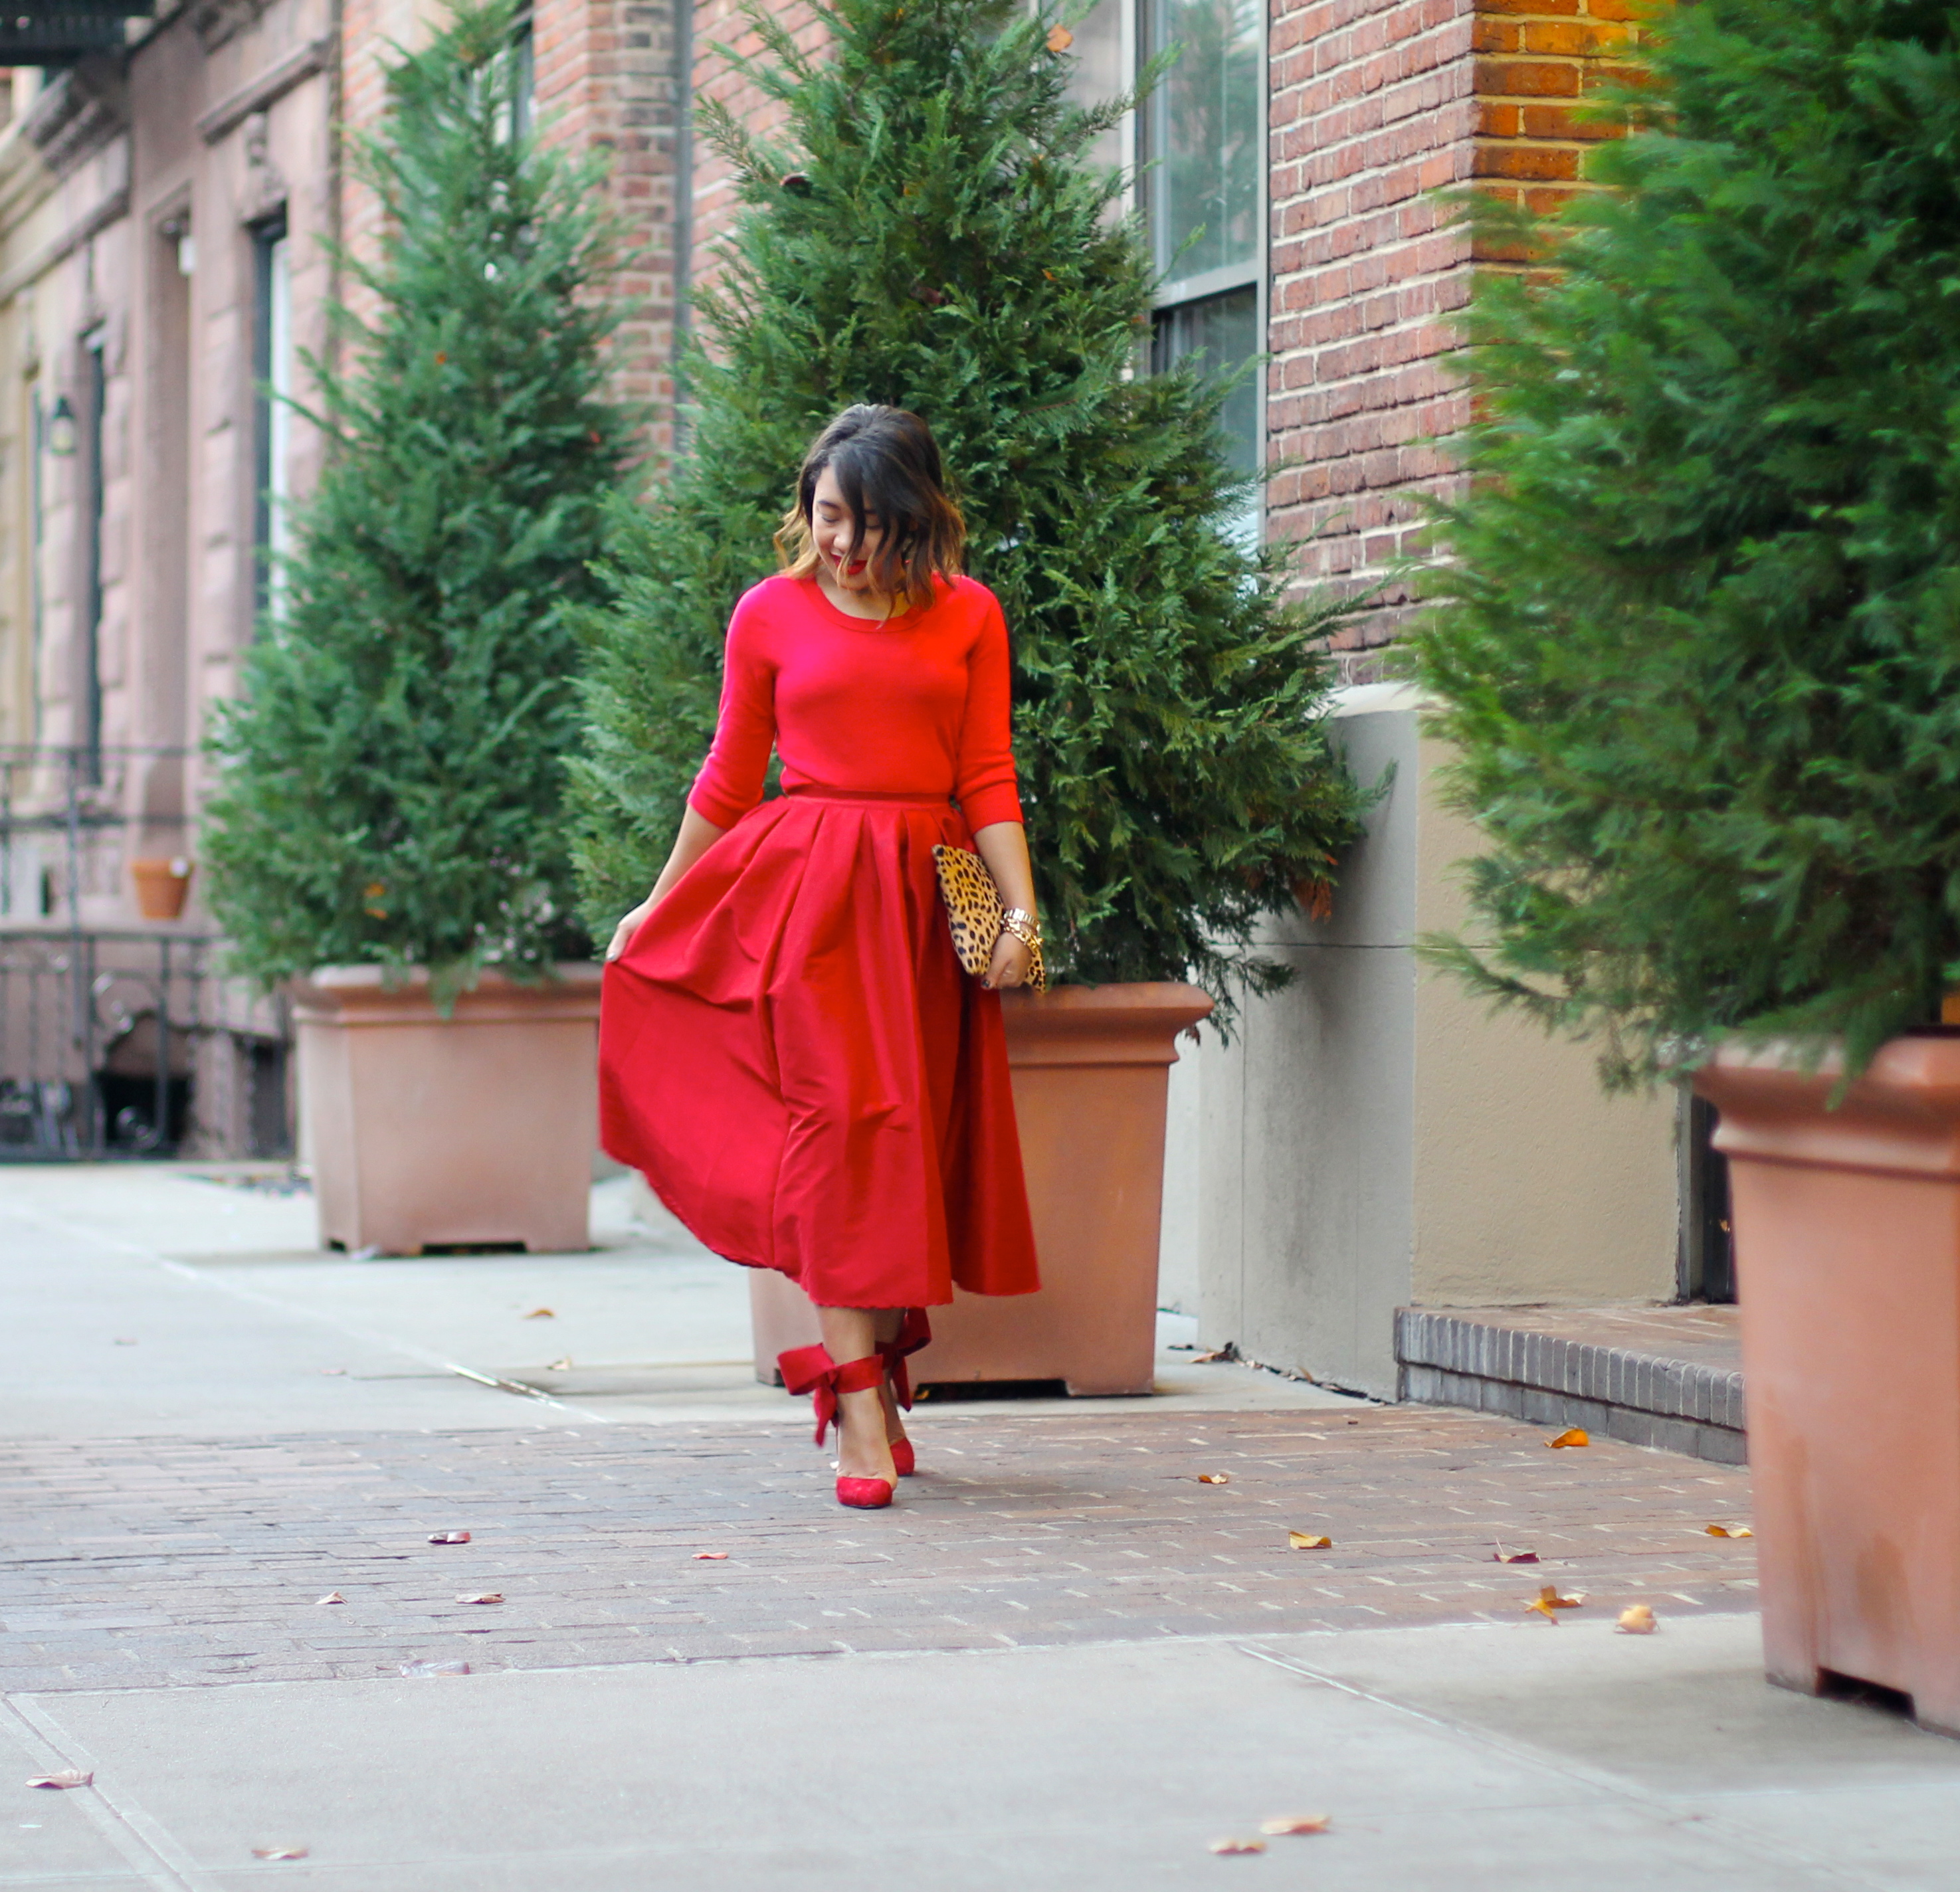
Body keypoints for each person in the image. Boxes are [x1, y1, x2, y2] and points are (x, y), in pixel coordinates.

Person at [599, 405, 1042, 1510]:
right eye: (826, 515)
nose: (841, 544)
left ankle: (881, 1384)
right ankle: (852, 1400)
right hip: (813, 901)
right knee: (845, 1134)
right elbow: (726, 778)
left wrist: (1019, 917)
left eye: (866, 522)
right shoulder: (769, 614)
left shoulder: (969, 616)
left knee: (912, 1140)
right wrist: (655, 909)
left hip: (932, 897)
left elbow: (987, 773)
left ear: (916, 519)